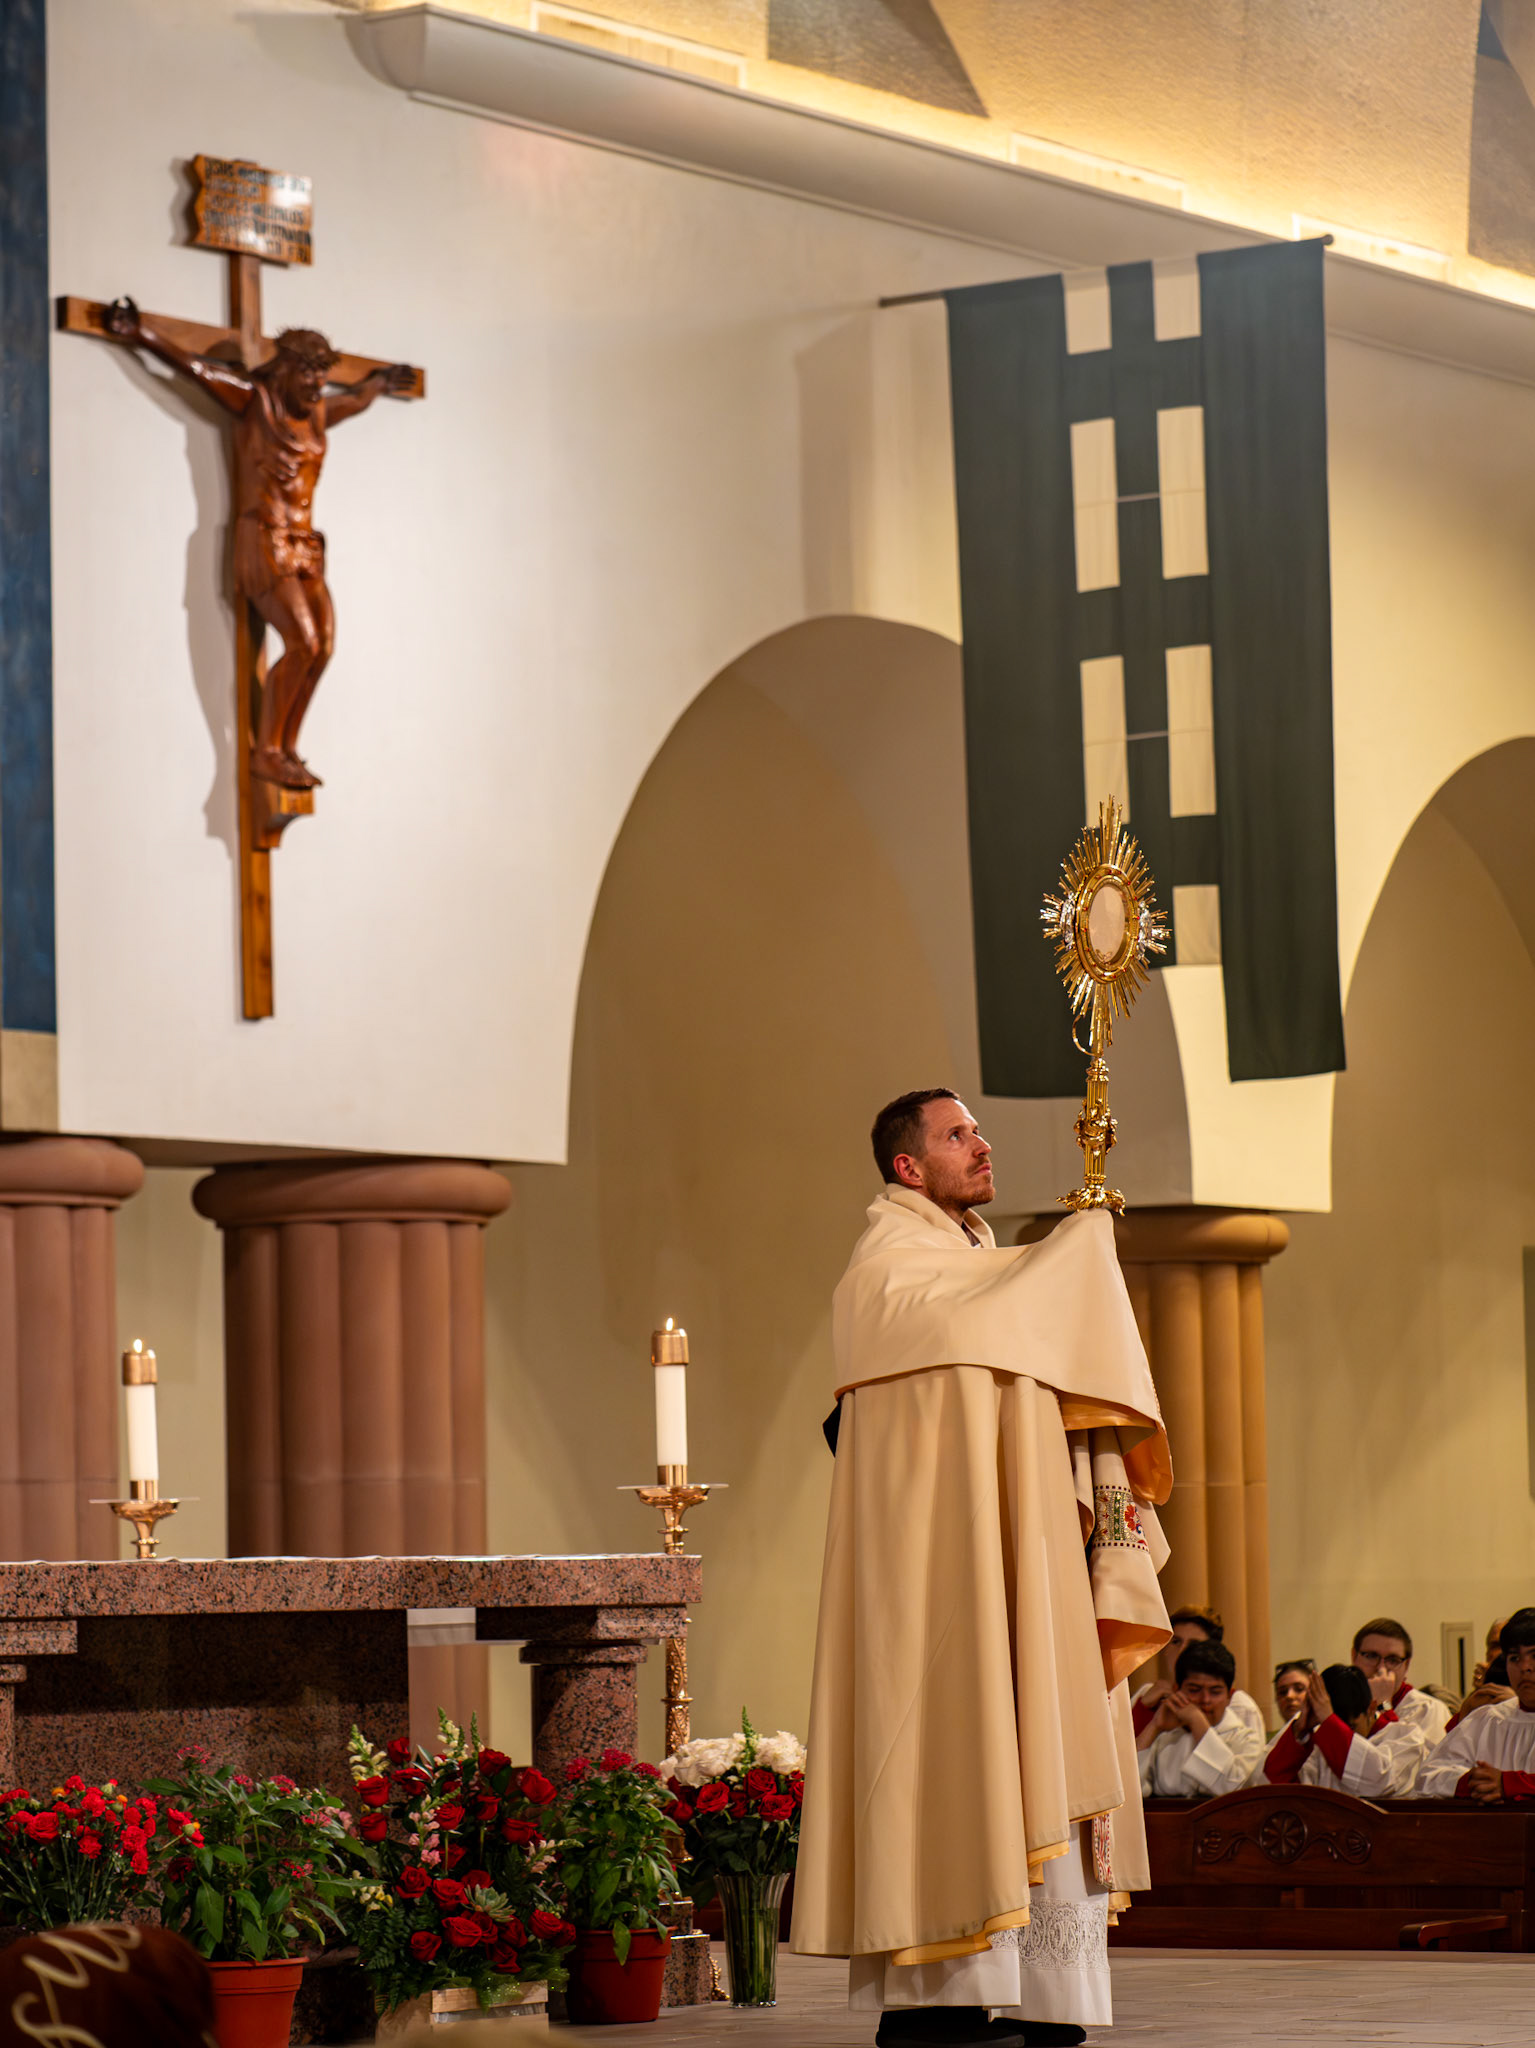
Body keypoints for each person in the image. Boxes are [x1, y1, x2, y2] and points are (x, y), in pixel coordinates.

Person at [793, 1089, 1173, 2048]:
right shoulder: (888, 1271)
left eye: (980, 1129)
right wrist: (1076, 1248)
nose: (982, 1144)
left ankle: (1047, 1994)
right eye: (957, 1134)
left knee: (1035, 1728)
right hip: (939, 1582)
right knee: (957, 1740)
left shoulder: (975, 1263)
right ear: (906, 1168)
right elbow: (979, 1318)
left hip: (1024, 1557)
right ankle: (938, 2002)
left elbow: (1011, 1317)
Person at [101, 296, 413, 791]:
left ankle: (287, 749)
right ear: (285, 372)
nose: (315, 388)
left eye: (320, 379)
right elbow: (198, 369)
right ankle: (266, 751)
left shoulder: (315, 414)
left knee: (324, 648)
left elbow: (354, 400)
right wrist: (143, 336)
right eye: (307, 377)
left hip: (306, 546)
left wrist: (377, 384)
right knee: (303, 642)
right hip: (264, 538)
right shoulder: (255, 400)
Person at [1259, 1663, 1427, 1797]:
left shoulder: (1406, 1737)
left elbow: (1377, 1782)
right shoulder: (1321, 1739)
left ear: (1371, 1708)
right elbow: (1274, 1787)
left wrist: (1329, 1722)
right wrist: (1299, 1732)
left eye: (1352, 1727)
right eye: (1336, 1727)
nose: (1343, 1735)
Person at [1419, 1606, 1535, 1800]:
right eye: (1514, 1658)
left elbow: (1505, 1784)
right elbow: (1428, 1777)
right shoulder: (1488, 1719)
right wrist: (1475, 1782)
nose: (1524, 1667)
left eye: (1534, 1656)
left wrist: (1510, 1784)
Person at [1135, 1641, 1264, 1798]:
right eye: (1194, 1690)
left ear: (1229, 1696)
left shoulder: (1247, 1740)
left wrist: (1196, 1719)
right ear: (1177, 1690)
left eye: (1215, 1692)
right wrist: (1155, 1726)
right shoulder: (1164, 1737)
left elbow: (1230, 1788)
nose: (1205, 1700)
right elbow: (1131, 1790)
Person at [1131, 1606, 1265, 1745]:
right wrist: (1142, 1710)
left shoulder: (1239, 1705)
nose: (1182, 1650)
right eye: (1176, 1642)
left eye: (1194, 1644)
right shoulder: (1146, 1694)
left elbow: (1245, 1763)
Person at [1350, 1616, 1452, 1744]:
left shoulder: (1429, 1710)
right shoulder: (1338, 1703)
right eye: (1371, 1656)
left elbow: (1394, 1761)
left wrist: (1383, 1704)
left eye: (1393, 1660)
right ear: (1354, 1656)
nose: (1381, 1668)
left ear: (1406, 1665)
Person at [1272, 1659, 1316, 1730]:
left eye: (1299, 1689)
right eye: (1283, 1692)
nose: (1289, 1696)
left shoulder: (1329, 1735)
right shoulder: (1274, 1740)